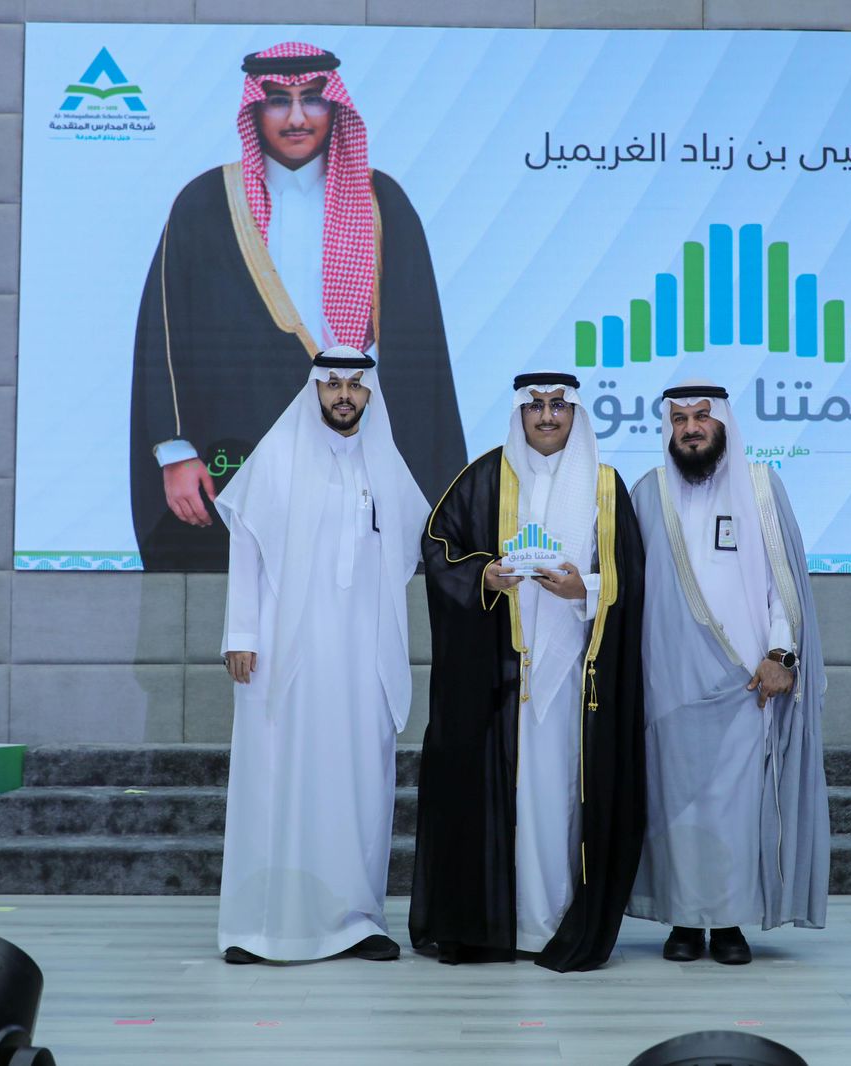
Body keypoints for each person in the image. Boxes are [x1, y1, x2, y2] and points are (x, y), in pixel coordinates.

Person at [131, 41, 464, 571]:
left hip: (360, 446)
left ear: (334, 107)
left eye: (311, 98)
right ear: (254, 109)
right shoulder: (206, 202)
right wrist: (175, 451)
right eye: (277, 100)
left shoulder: (383, 203)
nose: (296, 118)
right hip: (240, 446)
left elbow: (423, 355)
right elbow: (164, 333)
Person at [410, 372, 646, 972]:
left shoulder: (605, 485)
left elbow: (632, 577)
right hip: (500, 680)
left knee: (563, 797)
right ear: (519, 414)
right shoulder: (484, 477)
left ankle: (559, 921)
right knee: (506, 797)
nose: (546, 416)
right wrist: (484, 576)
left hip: (576, 681)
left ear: (575, 414)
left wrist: (585, 589)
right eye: (535, 406)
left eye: (558, 406)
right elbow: (438, 548)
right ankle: (500, 924)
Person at [213, 346, 428, 963]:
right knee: (276, 779)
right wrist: (241, 633)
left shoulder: (385, 464)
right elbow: (245, 546)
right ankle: (260, 926)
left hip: (362, 658)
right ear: (315, 389)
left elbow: (423, 542)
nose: (344, 395)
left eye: (354, 386)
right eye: (333, 384)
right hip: (285, 653)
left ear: (369, 394)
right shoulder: (277, 456)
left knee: (359, 784)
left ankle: (356, 920)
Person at [626, 381, 830, 965]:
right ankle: (684, 921)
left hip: (747, 684)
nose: (691, 428)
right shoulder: (647, 494)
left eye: (702, 418)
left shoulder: (761, 487)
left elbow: (783, 587)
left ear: (723, 425)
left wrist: (781, 655)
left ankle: (730, 923)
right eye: (680, 419)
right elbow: (625, 585)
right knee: (676, 807)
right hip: (667, 684)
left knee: (736, 809)